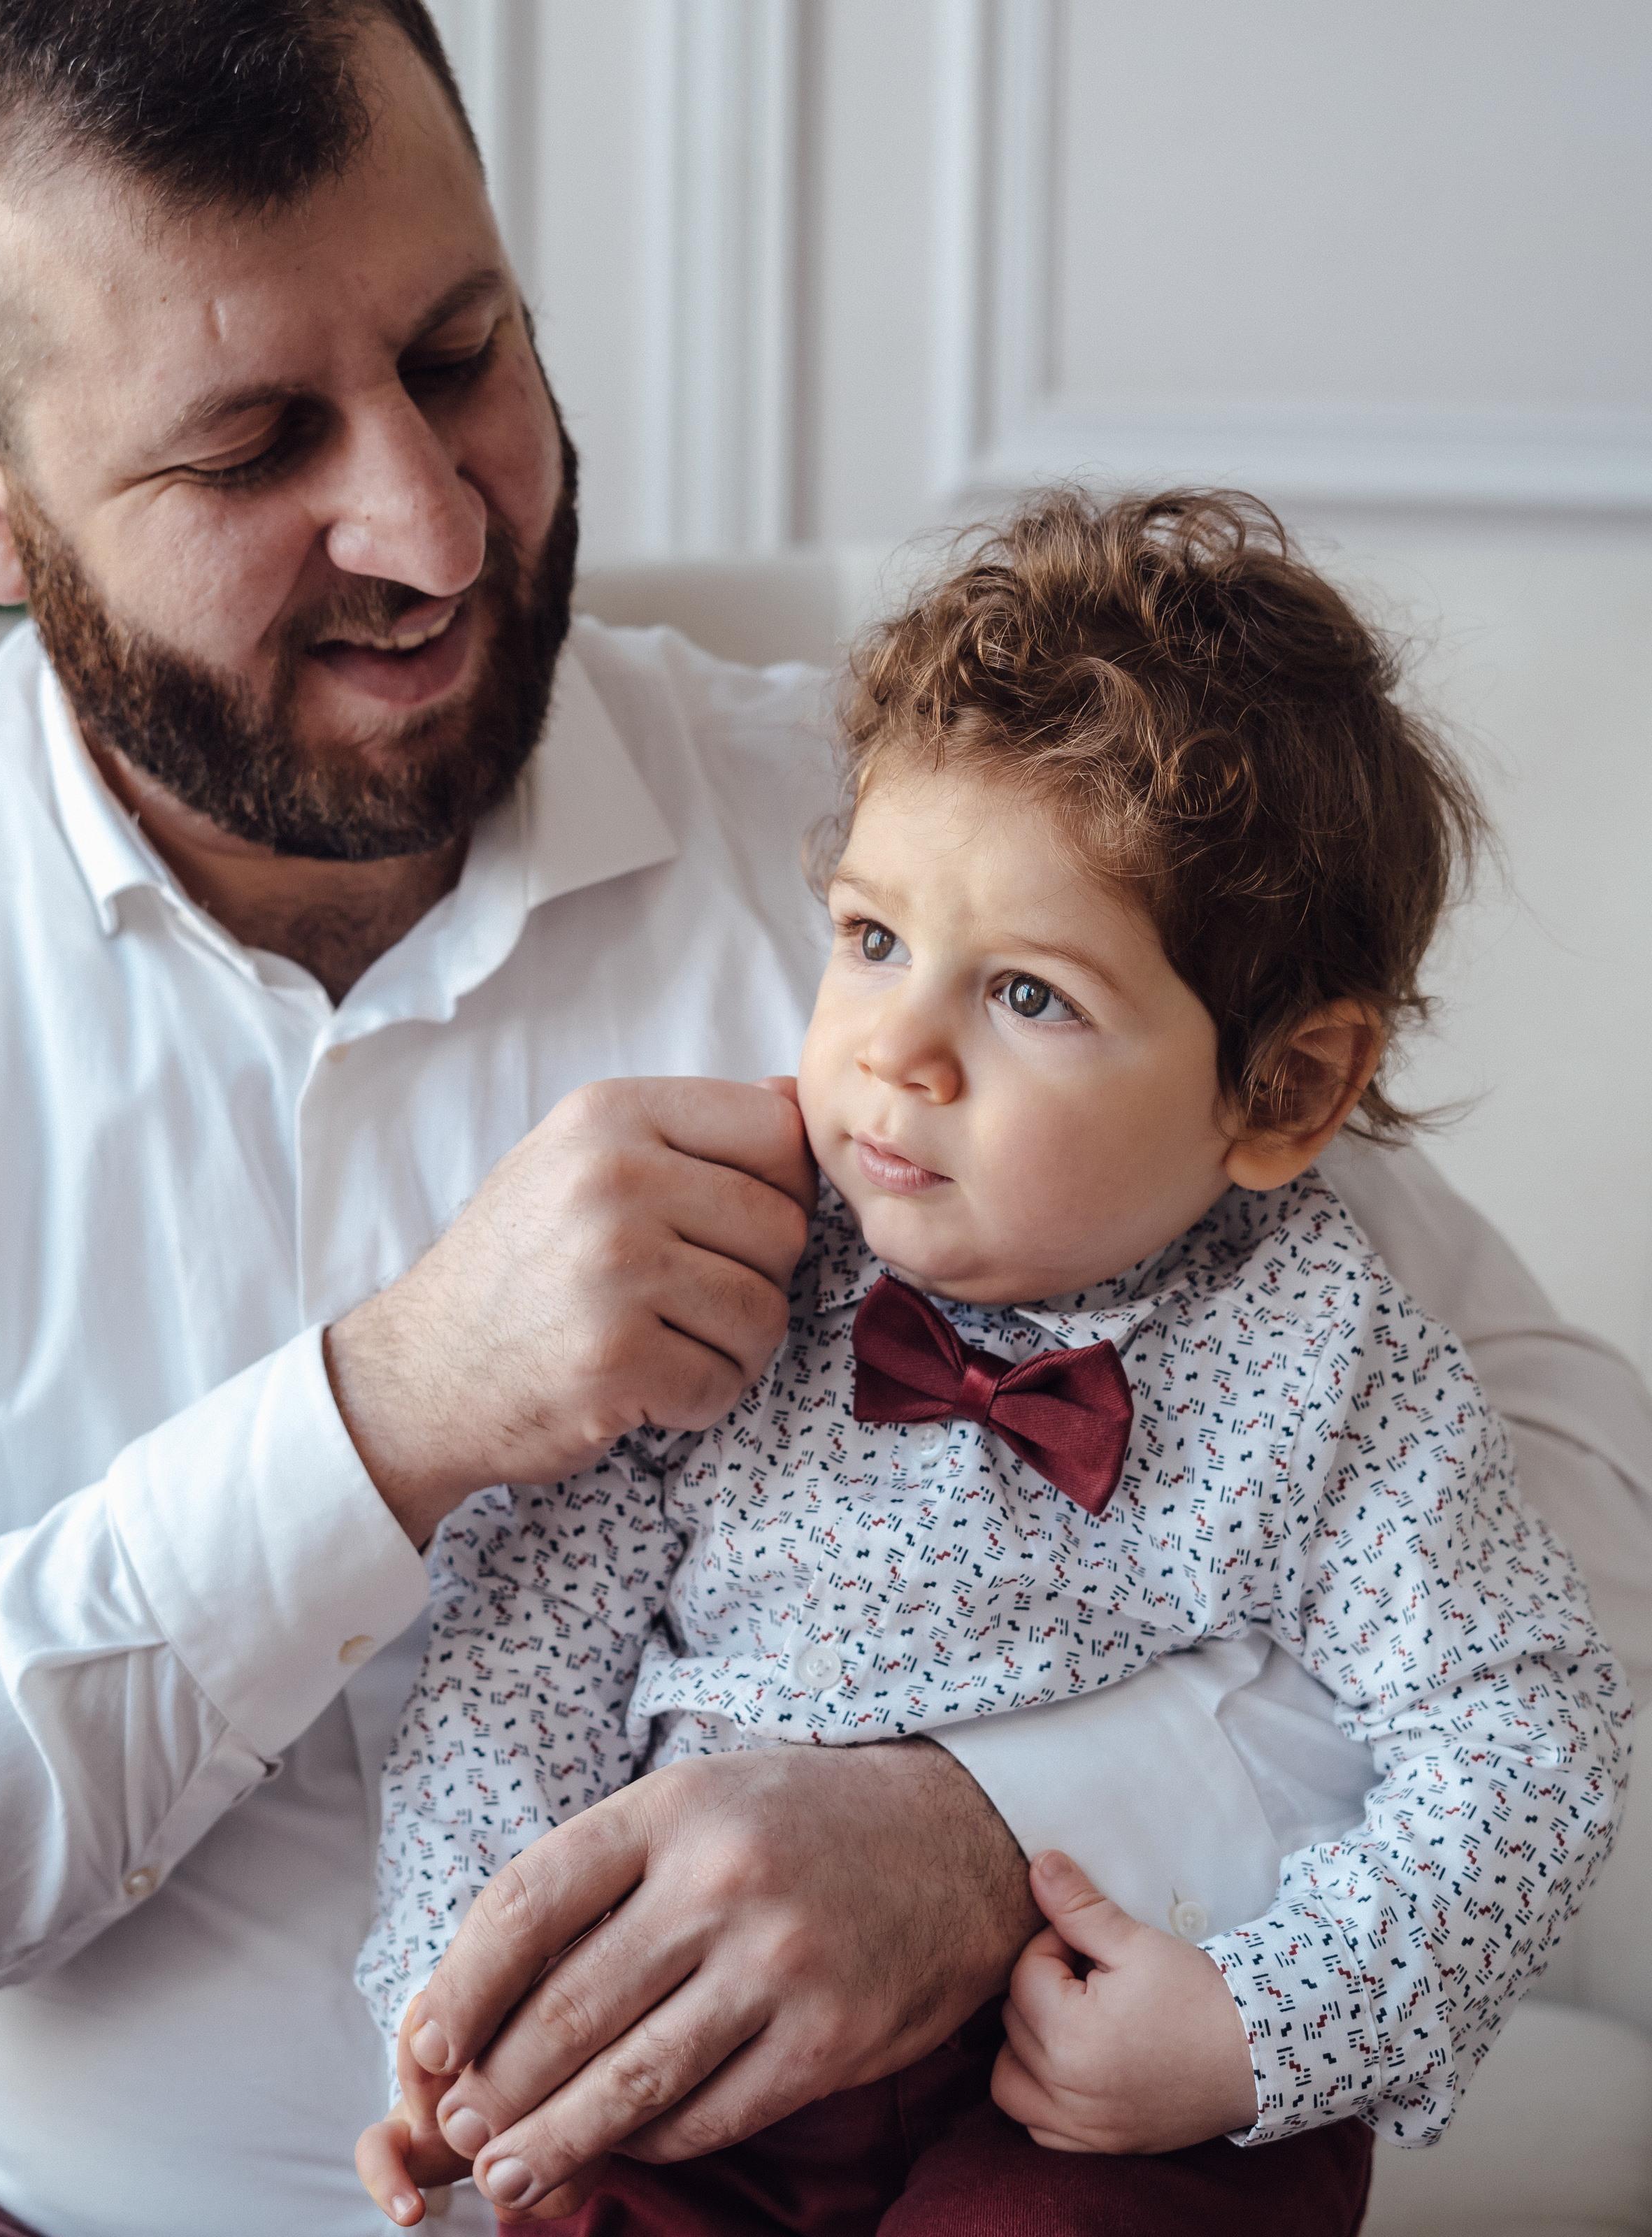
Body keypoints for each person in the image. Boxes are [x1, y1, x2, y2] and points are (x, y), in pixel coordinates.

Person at [0, 5, 1646, 2235]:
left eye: (462, 351)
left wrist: (987, 1831)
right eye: (247, 450)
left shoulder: (927, 845)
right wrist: (384, 1416)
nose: (426, 528)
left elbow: (1564, 1483)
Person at [350, 491, 1623, 2235]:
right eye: (871, 941)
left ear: (1283, 1092)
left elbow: (1518, 1726)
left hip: (1110, 2075)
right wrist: (454, 2006)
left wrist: (1260, 2029)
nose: (895, 1054)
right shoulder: (734, 1261)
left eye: (1025, 995)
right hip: (709, 2065)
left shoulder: (1335, 1358)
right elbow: (519, 1656)